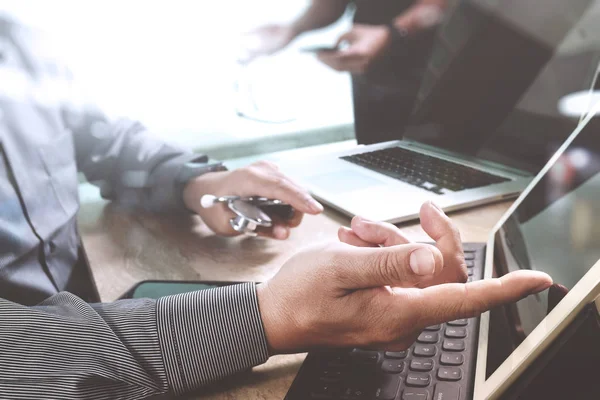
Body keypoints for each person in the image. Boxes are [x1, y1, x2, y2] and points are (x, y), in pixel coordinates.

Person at [0, 15, 552, 399]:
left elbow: (108, 140)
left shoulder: (23, 40)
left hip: (88, 298)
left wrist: (201, 181)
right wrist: (269, 316)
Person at [244, 0, 448, 144]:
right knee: (379, 160)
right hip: (372, 69)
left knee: (440, 168)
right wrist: (294, 28)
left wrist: (392, 33)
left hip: (437, 69)